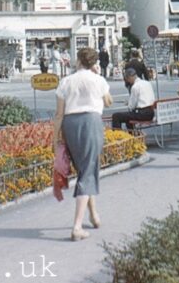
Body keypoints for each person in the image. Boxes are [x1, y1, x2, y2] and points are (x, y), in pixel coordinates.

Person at [53, 47, 112, 241]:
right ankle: (77, 227)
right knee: (88, 170)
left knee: (84, 170)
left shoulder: (66, 82)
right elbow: (109, 102)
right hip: (91, 122)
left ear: (78, 60)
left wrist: (56, 138)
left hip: (70, 125)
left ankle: (94, 215)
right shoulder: (99, 80)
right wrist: (100, 78)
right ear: (94, 63)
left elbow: (59, 113)